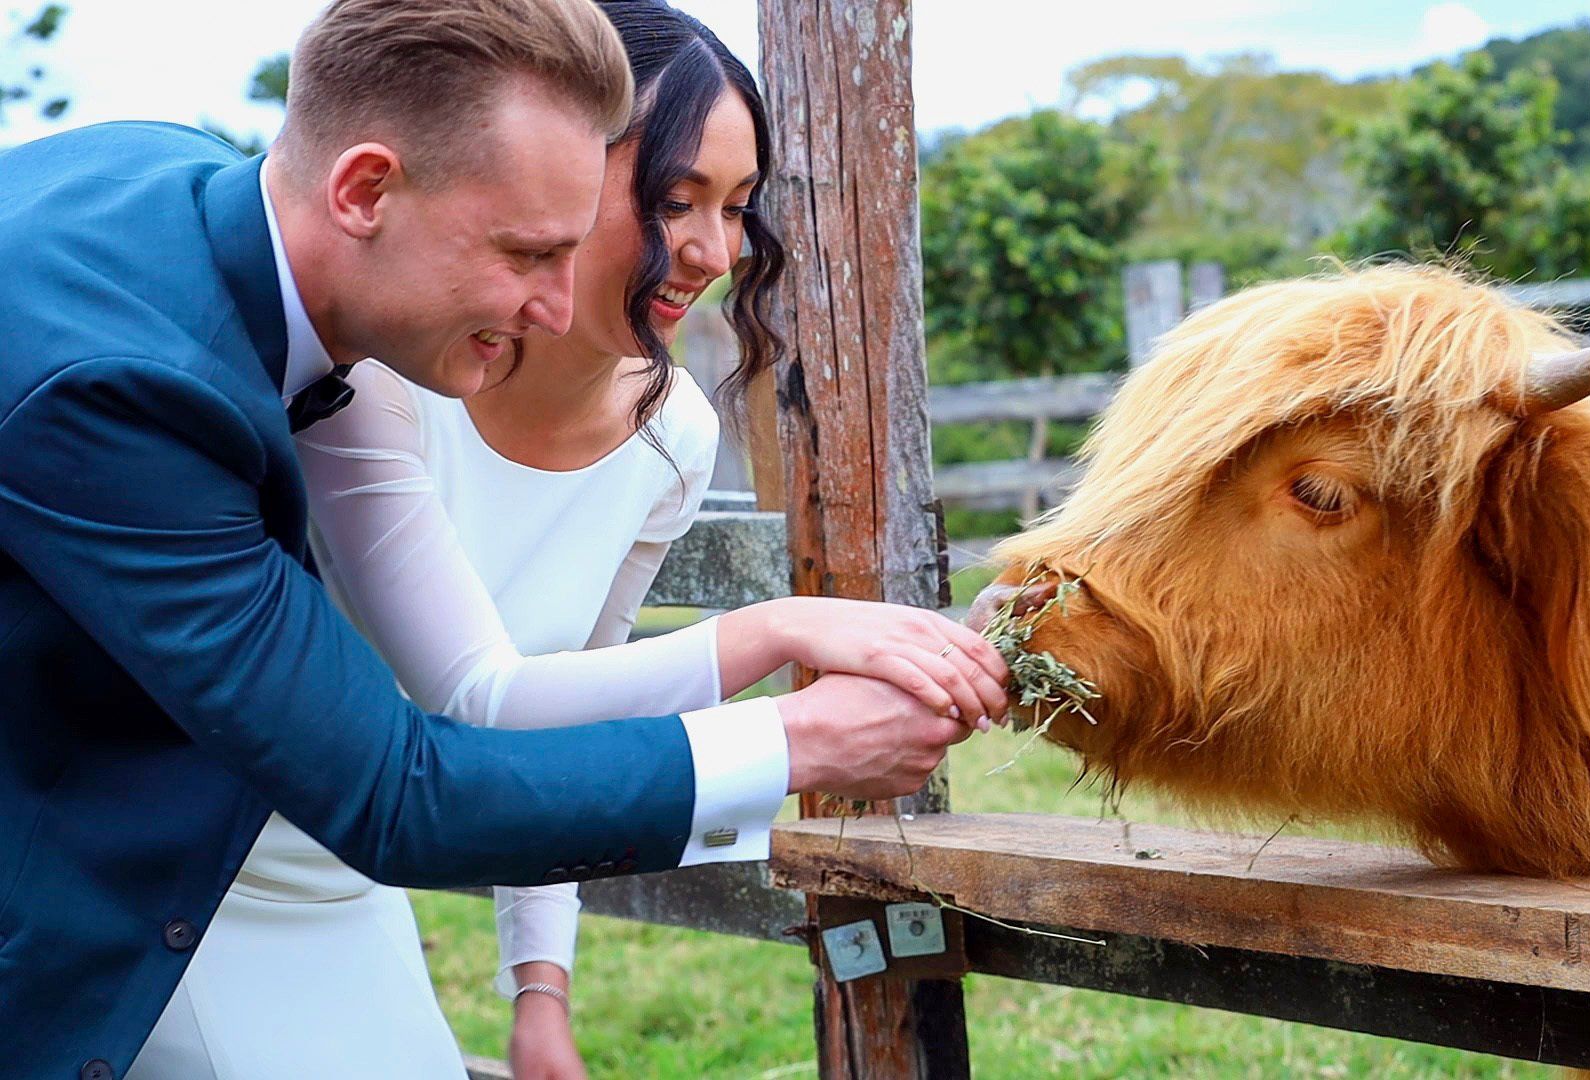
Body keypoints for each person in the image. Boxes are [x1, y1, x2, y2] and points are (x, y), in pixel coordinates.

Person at [0, 1, 1003, 1075]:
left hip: (309, 871)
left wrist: (542, 988)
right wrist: (799, 741)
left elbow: (555, 699)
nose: (557, 305)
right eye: (528, 251)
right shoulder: (130, 391)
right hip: (134, 894)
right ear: (365, 190)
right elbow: (405, 779)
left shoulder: (177, 174)